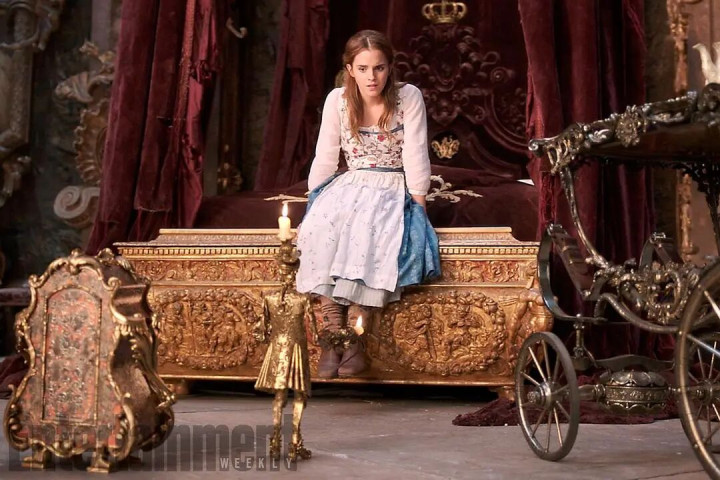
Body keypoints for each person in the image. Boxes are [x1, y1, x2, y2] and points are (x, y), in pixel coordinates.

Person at [295, 29, 441, 378]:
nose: (371, 77)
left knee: (370, 230)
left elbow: (415, 154)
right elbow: (325, 157)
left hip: (390, 183)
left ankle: (354, 339)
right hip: (351, 181)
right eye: (362, 69)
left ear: (390, 67)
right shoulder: (338, 100)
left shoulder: (408, 97)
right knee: (322, 228)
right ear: (350, 69)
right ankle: (332, 336)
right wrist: (313, 204)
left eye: (379, 68)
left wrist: (419, 208)